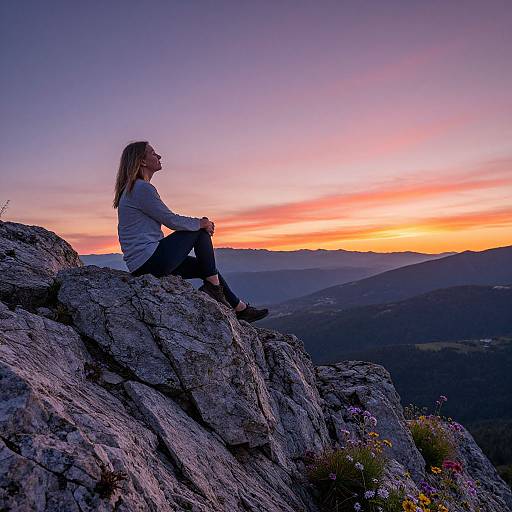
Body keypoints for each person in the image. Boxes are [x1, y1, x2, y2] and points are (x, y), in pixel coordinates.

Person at [113, 140, 269, 323]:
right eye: (153, 153)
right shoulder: (141, 188)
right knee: (198, 232)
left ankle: (239, 307)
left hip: (143, 263)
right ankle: (214, 290)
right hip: (149, 260)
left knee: (206, 268)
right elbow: (170, 220)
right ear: (142, 161)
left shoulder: (133, 189)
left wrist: (199, 224)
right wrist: (202, 223)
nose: (159, 156)